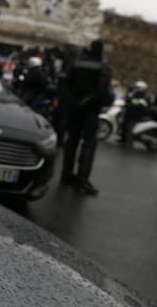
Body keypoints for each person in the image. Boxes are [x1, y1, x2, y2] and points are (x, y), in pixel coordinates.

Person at [61, 39, 112, 196]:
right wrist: (87, 101)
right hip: (90, 109)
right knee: (89, 144)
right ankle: (82, 180)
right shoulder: (103, 66)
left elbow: (65, 82)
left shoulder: (77, 62)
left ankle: (66, 175)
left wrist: (73, 101)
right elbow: (102, 89)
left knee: (72, 141)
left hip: (74, 107)